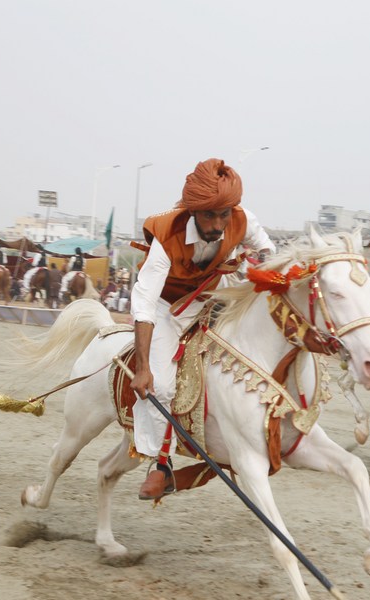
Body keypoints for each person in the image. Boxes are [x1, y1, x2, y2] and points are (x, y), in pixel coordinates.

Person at [129, 158, 275, 501]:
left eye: (224, 215)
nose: (218, 224)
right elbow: (145, 303)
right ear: (193, 211)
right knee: (161, 387)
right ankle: (160, 464)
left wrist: (258, 268)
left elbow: (267, 250)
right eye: (209, 216)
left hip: (214, 296)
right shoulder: (166, 235)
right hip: (167, 308)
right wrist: (143, 367)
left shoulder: (242, 219)